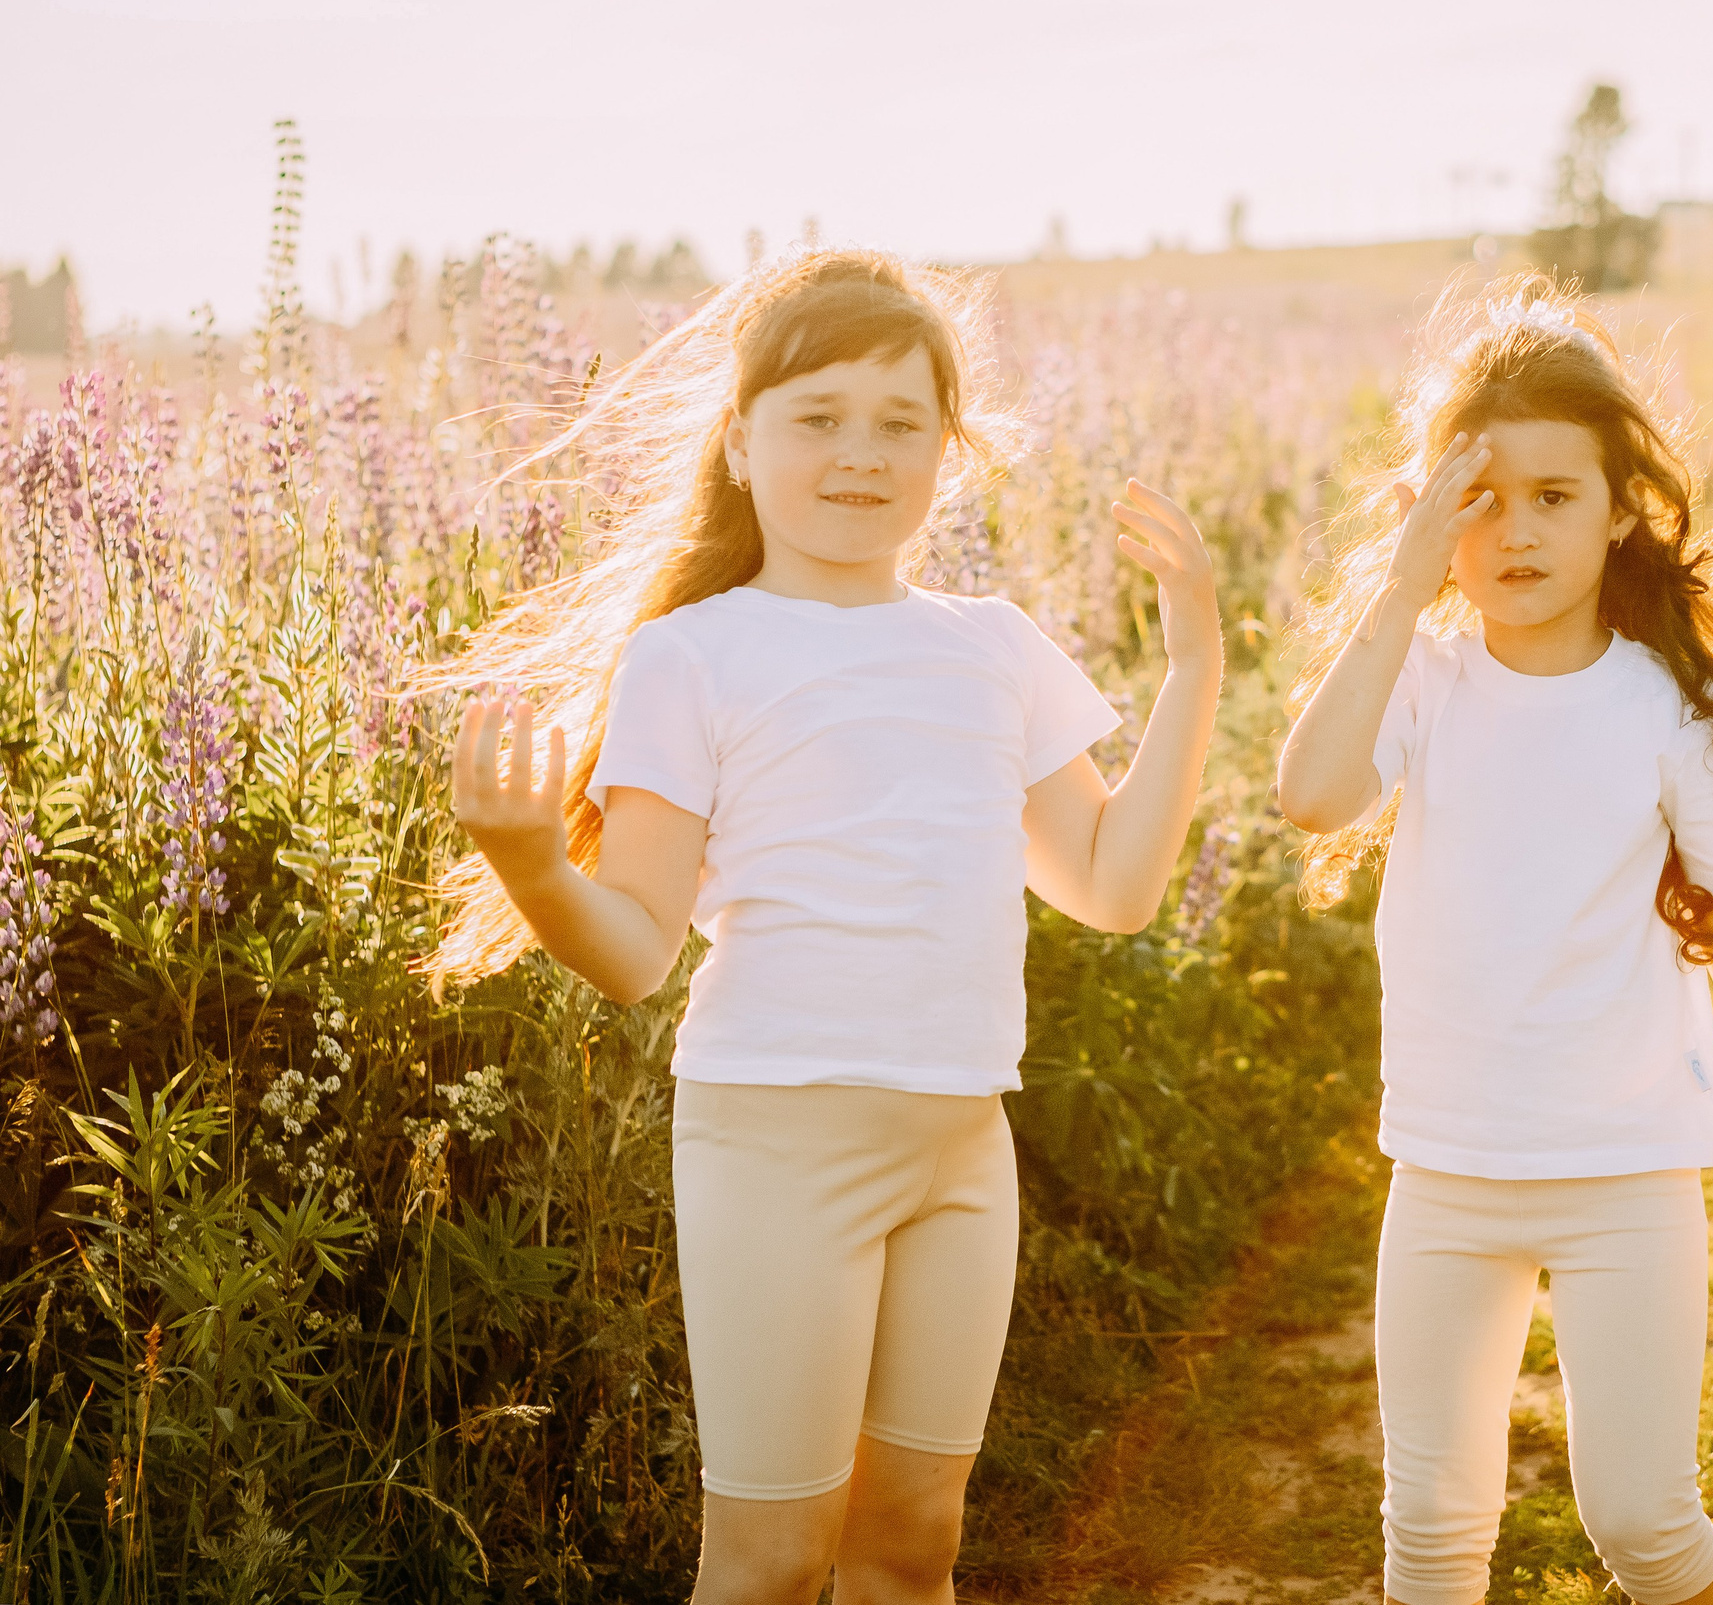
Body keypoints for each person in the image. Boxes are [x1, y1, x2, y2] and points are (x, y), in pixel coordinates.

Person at [424, 248, 1222, 1605]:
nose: (861, 454)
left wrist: (1196, 656)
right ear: (741, 443)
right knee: (770, 1563)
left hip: (964, 1145)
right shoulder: (695, 655)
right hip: (773, 1141)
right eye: (819, 417)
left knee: (915, 1542)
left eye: (901, 424)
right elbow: (634, 955)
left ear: (945, 454)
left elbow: (1114, 885)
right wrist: (528, 864)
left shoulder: (996, 647)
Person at [1276, 276, 1713, 1605]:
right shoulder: (1420, 680)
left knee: (1644, 1524)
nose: (1519, 531)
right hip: (1447, 1171)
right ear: (1435, 515)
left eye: (1557, 496)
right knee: (1429, 1533)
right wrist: (1395, 592)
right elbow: (1308, 795)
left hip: (1623, 1169)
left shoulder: (1672, 707)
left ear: (1616, 513)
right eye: (1482, 499)